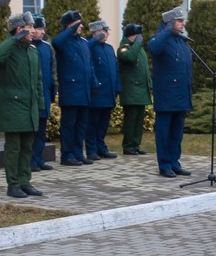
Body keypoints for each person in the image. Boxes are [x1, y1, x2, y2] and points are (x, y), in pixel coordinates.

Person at [0, 12, 43, 198]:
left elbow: (38, 81)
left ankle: (24, 182)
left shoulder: (32, 51)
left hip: (30, 106)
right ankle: (13, 184)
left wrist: (40, 105)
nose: (33, 31)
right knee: (14, 148)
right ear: (20, 30)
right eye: (30, 27)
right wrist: (15, 39)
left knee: (27, 146)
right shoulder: (9, 49)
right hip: (13, 105)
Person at [150, 6, 193, 178]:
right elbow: (154, 48)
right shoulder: (161, 38)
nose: (183, 24)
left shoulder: (180, 40)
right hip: (167, 97)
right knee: (164, 133)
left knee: (176, 133)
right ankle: (164, 164)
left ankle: (175, 162)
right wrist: (167, 30)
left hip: (181, 95)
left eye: (183, 21)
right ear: (170, 22)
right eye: (180, 21)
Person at [52, 10, 95, 165]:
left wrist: (94, 82)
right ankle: (67, 154)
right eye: (78, 24)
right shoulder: (63, 42)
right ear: (69, 25)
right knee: (69, 125)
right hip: (71, 91)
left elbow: (89, 65)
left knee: (81, 125)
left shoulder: (83, 42)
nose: (81, 26)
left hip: (84, 90)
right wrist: (70, 30)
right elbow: (56, 42)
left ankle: (78, 152)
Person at [85, 20, 120, 161]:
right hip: (97, 91)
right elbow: (85, 49)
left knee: (104, 123)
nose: (107, 34)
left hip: (109, 92)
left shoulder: (109, 48)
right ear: (95, 32)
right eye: (104, 31)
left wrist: (117, 87)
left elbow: (115, 69)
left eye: (107, 31)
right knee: (93, 123)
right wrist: (94, 40)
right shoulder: (90, 46)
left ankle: (101, 148)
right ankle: (91, 149)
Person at [117, 23, 152, 155]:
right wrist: (137, 44)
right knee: (131, 120)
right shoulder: (123, 48)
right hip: (131, 90)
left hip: (141, 90)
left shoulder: (138, 48)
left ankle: (136, 144)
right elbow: (130, 58)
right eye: (137, 35)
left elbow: (145, 69)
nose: (140, 37)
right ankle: (128, 146)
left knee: (138, 120)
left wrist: (149, 84)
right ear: (131, 35)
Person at [29, 14, 57, 171]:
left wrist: (53, 92)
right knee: (32, 130)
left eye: (42, 29)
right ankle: (30, 160)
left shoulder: (46, 47)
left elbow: (51, 71)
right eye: (39, 28)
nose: (42, 32)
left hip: (45, 93)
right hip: (33, 95)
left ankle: (38, 158)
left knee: (41, 129)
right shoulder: (27, 46)